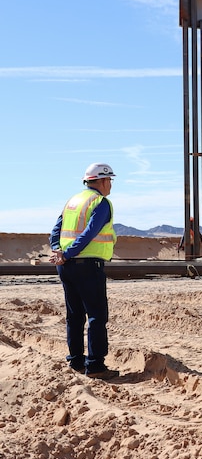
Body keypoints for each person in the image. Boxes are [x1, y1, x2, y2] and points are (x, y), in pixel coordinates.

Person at [49, 163, 120, 380]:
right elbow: (89, 233)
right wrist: (67, 253)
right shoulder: (100, 202)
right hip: (88, 266)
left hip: (66, 267)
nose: (111, 185)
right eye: (110, 181)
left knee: (74, 315)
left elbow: (56, 230)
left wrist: (58, 252)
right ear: (102, 180)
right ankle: (96, 366)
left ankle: (76, 362)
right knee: (97, 316)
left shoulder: (73, 201)